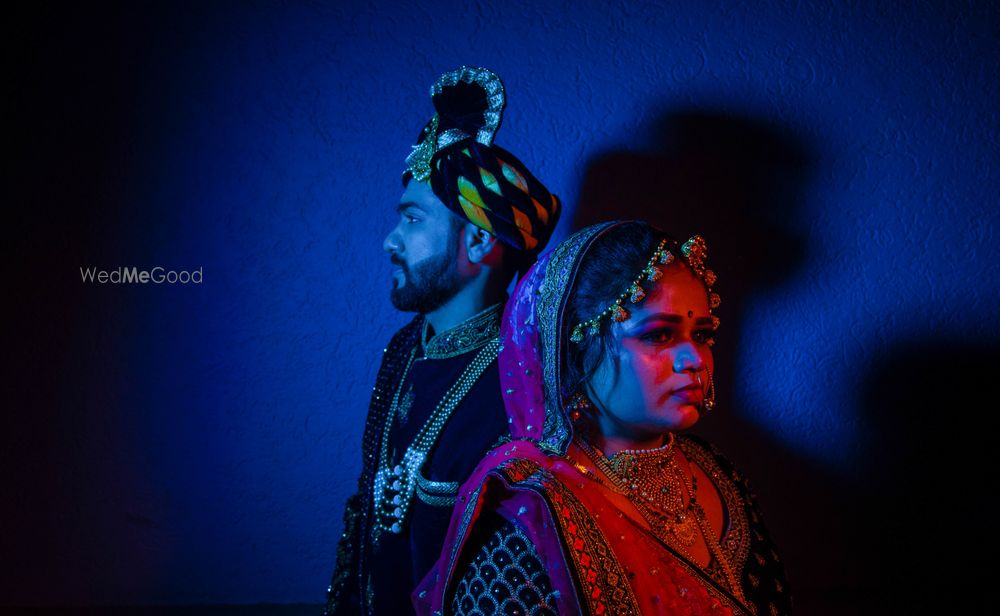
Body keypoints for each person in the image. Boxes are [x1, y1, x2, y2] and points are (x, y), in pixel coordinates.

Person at [416, 221, 791, 615]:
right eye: (658, 335)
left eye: (701, 335)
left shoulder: (718, 473)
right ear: (576, 350)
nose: (694, 359)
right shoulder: (529, 518)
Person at [323, 66, 561, 615]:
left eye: (411, 220)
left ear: (477, 240)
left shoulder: (527, 381)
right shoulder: (404, 349)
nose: (390, 241)